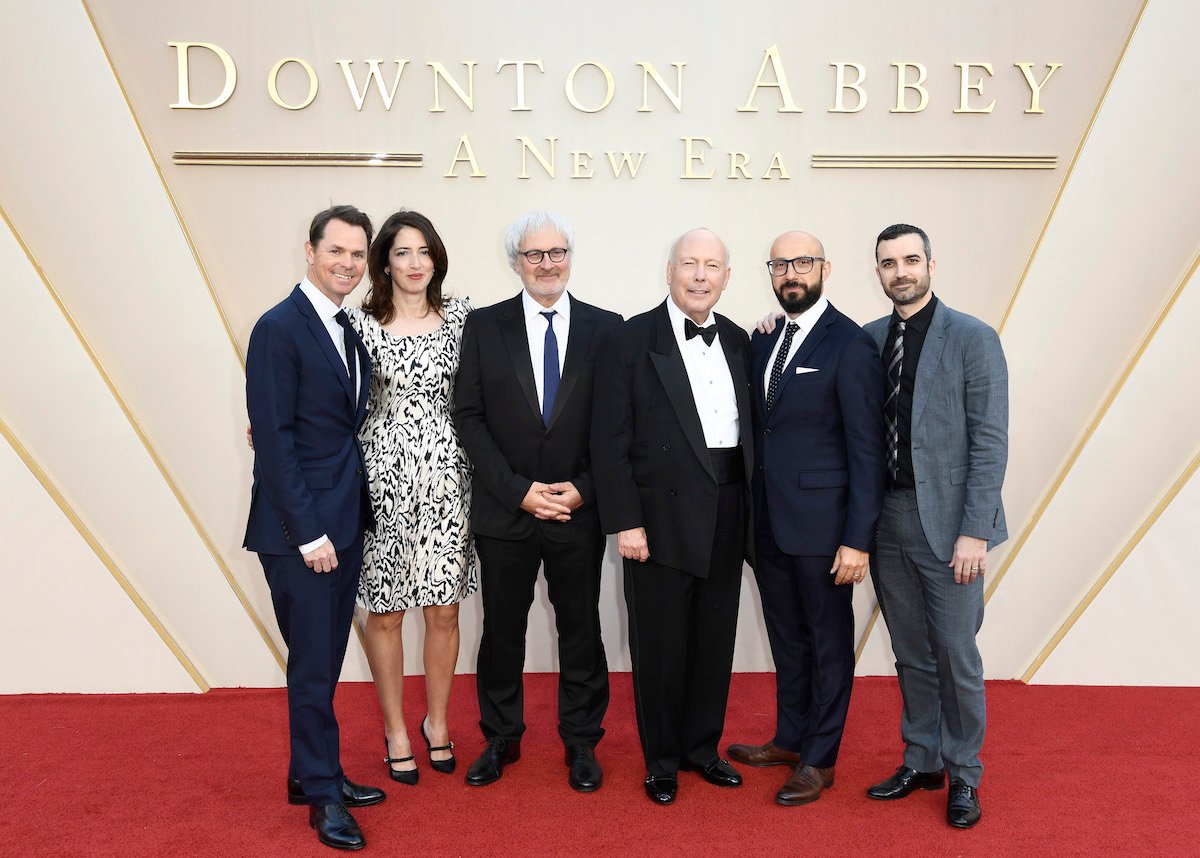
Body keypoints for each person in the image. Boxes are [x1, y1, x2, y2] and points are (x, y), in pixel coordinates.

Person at [452, 211, 621, 792]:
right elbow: (468, 418)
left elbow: (618, 425)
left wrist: (585, 487)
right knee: (502, 631)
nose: (547, 264)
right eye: (534, 255)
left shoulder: (607, 328)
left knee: (581, 628)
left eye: (557, 252)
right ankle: (501, 737)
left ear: (571, 256)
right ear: (516, 263)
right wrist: (518, 491)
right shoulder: (484, 326)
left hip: (578, 508)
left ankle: (581, 742)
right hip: (506, 511)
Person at [591, 228, 753, 806]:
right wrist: (625, 521)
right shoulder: (630, 338)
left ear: (727, 277)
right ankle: (661, 759)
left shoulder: (741, 340)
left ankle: (701, 748)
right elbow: (608, 442)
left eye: (712, 265)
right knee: (659, 644)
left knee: (715, 637)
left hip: (728, 506)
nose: (701, 275)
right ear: (669, 270)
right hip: (656, 516)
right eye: (690, 263)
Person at [244, 205, 386, 851]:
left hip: (343, 520)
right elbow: (272, 441)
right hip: (303, 532)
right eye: (338, 251)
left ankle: (312, 774)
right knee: (310, 668)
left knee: (324, 661)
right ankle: (324, 799)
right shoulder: (279, 328)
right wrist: (307, 533)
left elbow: (332, 426)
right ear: (310, 250)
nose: (349, 264)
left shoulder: (344, 325)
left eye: (358, 255)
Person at [727, 231, 885, 806]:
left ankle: (821, 758)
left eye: (802, 262)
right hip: (767, 523)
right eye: (780, 264)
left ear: (825, 267)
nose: (791, 272)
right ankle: (791, 739)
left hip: (825, 530)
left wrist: (857, 539)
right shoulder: (766, 338)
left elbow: (867, 450)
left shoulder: (850, 344)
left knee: (827, 643)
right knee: (788, 640)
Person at [862, 224, 1008, 829]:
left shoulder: (974, 338)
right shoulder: (867, 341)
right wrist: (772, 322)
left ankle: (964, 774)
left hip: (951, 526)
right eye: (889, 263)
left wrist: (974, 530)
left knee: (955, 653)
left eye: (911, 260)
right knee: (910, 654)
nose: (901, 271)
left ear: (931, 264)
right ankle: (921, 758)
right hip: (887, 518)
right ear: (878, 272)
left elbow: (990, 440)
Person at [347, 210, 477, 786]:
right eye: (402, 252)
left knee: (444, 610)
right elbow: (323, 389)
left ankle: (439, 723)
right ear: (384, 262)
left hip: (449, 479)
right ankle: (397, 728)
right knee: (385, 611)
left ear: (437, 259)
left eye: (424, 251)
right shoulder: (357, 325)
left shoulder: (465, 319)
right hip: (381, 478)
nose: (415, 263)